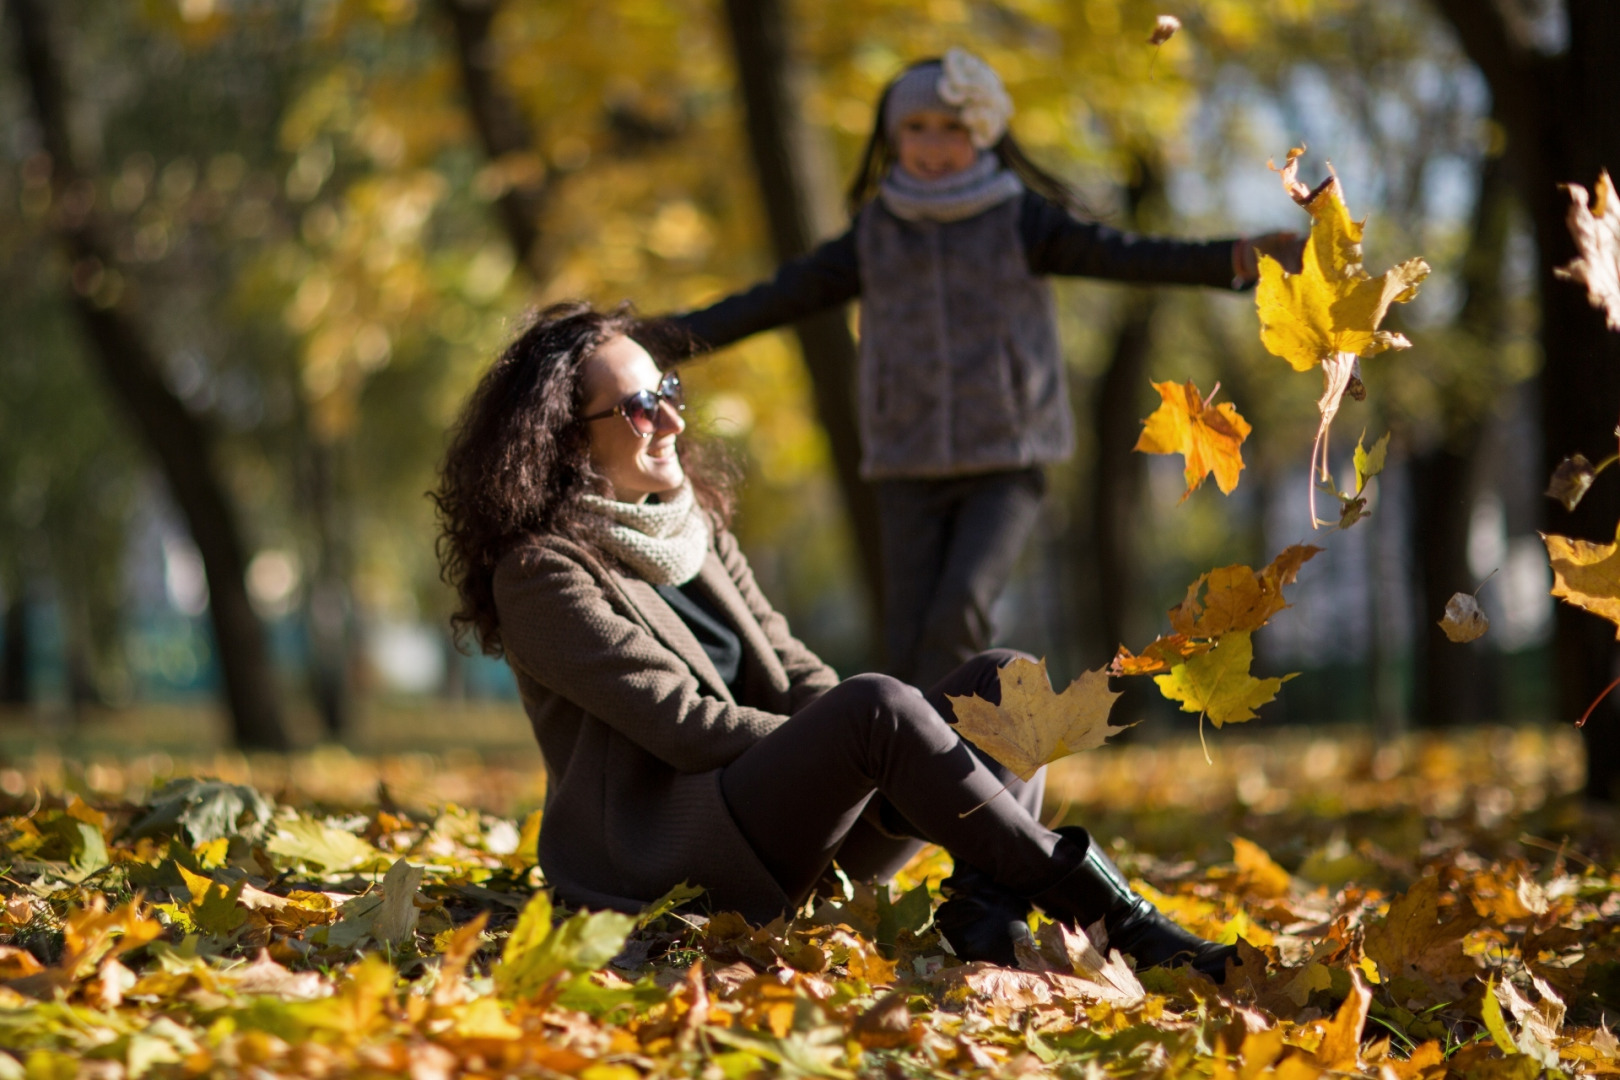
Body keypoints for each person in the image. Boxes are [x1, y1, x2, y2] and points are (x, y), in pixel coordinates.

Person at [432, 302, 1234, 978]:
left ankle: (986, 920)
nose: (672, 418)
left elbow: (794, 667)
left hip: (790, 835)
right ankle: (1117, 917)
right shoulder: (539, 574)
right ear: (566, 440)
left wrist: (892, 755)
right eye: (640, 407)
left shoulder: (693, 530)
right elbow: (680, 726)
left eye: (667, 391)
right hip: (668, 861)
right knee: (875, 710)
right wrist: (865, 758)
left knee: (1009, 681)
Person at [667, 49, 1302, 689]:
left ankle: (942, 773)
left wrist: (1237, 258)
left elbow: (1127, 255)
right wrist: (657, 339)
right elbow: (775, 298)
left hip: (1006, 460)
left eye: (953, 128)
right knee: (905, 636)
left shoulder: (1019, 219)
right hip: (905, 462)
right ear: (892, 135)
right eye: (916, 128)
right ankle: (906, 775)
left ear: (984, 133)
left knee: (957, 618)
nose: (933, 145)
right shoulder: (877, 232)